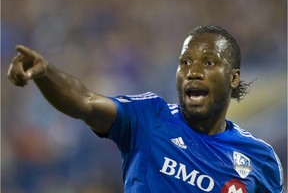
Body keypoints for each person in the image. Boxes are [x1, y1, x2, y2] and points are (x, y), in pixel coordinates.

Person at [8, 25, 284, 192]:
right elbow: (85, 102)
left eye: (209, 63)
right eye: (185, 62)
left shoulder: (260, 159)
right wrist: (45, 74)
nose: (193, 71)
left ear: (233, 78)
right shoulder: (150, 117)